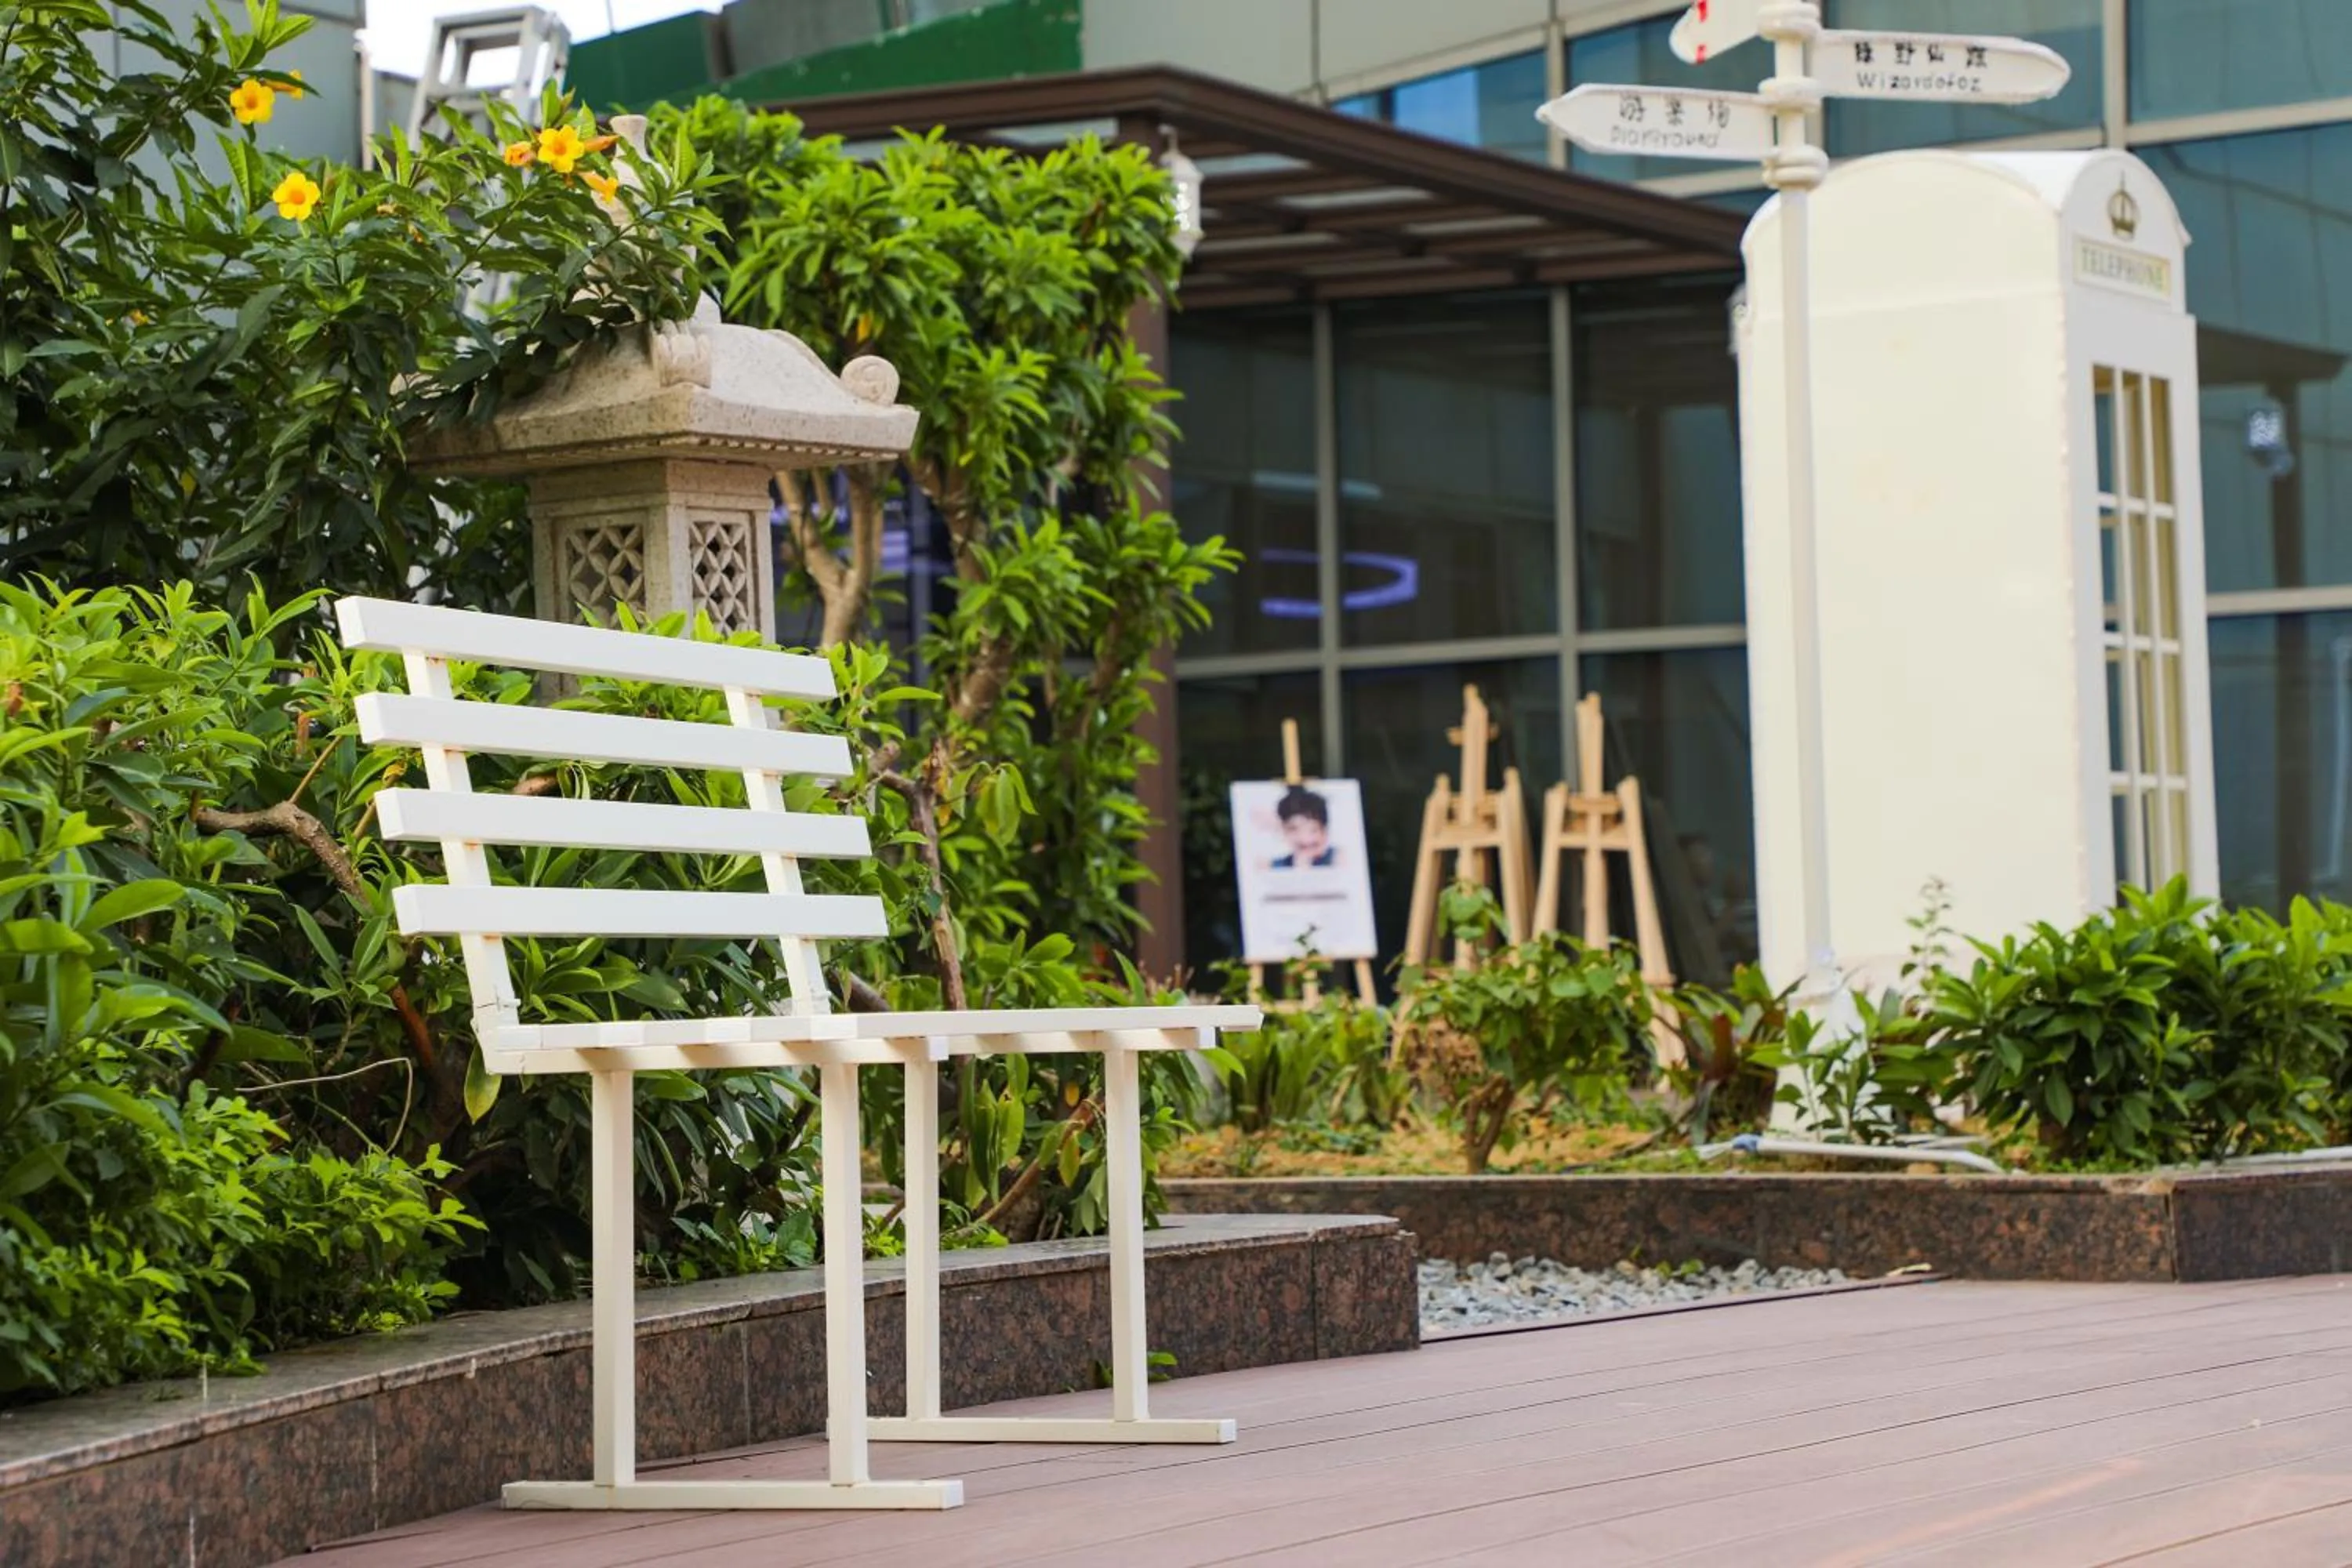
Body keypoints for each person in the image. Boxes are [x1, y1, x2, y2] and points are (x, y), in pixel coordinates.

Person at [1271, 786, 1337, 869]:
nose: (1304, 838)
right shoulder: (1275, 866)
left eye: (1313, 830)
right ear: (1284, 831)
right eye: (1294, 829)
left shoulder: (1337, 859)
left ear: (1324, 832)